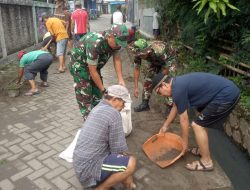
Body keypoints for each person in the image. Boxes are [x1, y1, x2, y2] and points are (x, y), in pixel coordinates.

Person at [151, 72, 240, 171]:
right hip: (223, 92)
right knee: (200, 121)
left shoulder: (178, 89)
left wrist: (184, 145)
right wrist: (165, 126)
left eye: (159, 92)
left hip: (226, 95)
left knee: (197, 125)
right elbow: (176, 106)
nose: (161, 95)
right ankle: (203, 150)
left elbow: (184, 120)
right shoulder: (177, 84)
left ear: (164, 85)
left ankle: (207, 162)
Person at [73, 85, 136, 189]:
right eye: (123, 102)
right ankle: (101, 188)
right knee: (130, 163)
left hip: (80, 164)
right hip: (89, 169)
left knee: (123, 162)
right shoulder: (114, 113)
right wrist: (128, 175)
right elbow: (119, 150)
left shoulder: (97, 107)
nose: (124, 106)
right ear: (115, 99)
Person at [68, 24, 129, 120]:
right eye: (117, 43)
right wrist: (103, 90)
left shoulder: (115, 43)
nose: (118, 46)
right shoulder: (95, 43)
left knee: (98, 93)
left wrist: (120, 79)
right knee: (85, 92)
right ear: (109, 37)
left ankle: (99, 115)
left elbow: (117, 59)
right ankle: (89, 120)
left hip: (94, 66)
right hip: (80, 65)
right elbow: (92, 71)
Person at [128, 38, 177, 112]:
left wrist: (159, 78)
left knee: (167, 83)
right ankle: (145, 104)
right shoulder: (137, 53)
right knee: (148, 80)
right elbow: (136, 69)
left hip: (169, 60)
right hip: (155, 61)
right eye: (141, 55)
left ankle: (169, 107)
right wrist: (136, 87)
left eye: (145, 54)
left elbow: (166, 68)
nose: (144, 56)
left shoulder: (159, 50)